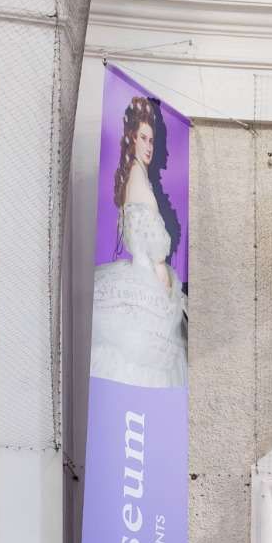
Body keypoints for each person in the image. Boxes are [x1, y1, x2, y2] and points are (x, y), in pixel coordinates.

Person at [91, 95, 189, 388]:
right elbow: (156, 252)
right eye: (143, 138)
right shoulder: (140, 184)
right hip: (148, 290)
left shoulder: (134, 180)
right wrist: (166, 293)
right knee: (146, 374)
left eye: (151, 140)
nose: (149, 146)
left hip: (144, 283)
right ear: (131, 139)